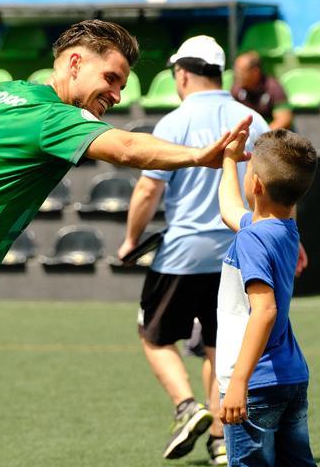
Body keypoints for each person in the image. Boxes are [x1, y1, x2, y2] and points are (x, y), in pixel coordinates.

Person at [0, 19, 247, 467]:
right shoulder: (52, 116)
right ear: (75, 63)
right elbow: (127, 149)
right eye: (111, 78)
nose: (117, 95)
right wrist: (198, 156)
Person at [117, 35, 269, 465]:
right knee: (220, 346)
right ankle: (222, 438)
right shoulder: (253, 119)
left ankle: (187, 406)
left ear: (182, 73)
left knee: (152, 334)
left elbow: (148, 190)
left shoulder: (174, 122)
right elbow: (272, 187)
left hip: (183, 252)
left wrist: (131, 239)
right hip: (240, 253)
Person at [216, 127, 317, 467]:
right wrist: (230, 160)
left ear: (256, 184)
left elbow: (264, 312)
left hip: (254, 383)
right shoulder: (284, 229)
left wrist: (239, 383)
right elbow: (230, 209)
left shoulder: (253, 239)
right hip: (290, 378)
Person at [230, 51, 292, 130]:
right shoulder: (236, 88)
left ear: (255, 72)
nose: (237, 74)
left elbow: (284, 119)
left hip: (269, 137)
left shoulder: (273, 87)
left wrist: (262, 136)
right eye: (236, 70)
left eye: (241, 71)